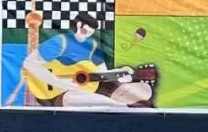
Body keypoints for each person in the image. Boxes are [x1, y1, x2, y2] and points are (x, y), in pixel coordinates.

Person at [22, 12, 155, 107]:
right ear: (77, 25)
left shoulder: (93, 45)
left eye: (90, 33)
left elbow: (102, 74)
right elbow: (29, 63)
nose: (86, 36)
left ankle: (118, 103)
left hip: (88, 90)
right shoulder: (61, 41)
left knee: (144, 89)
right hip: (54, 94)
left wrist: (120, 73)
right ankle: (119, 105)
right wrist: (57, 82)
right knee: (76, 98)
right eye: (85, 31)